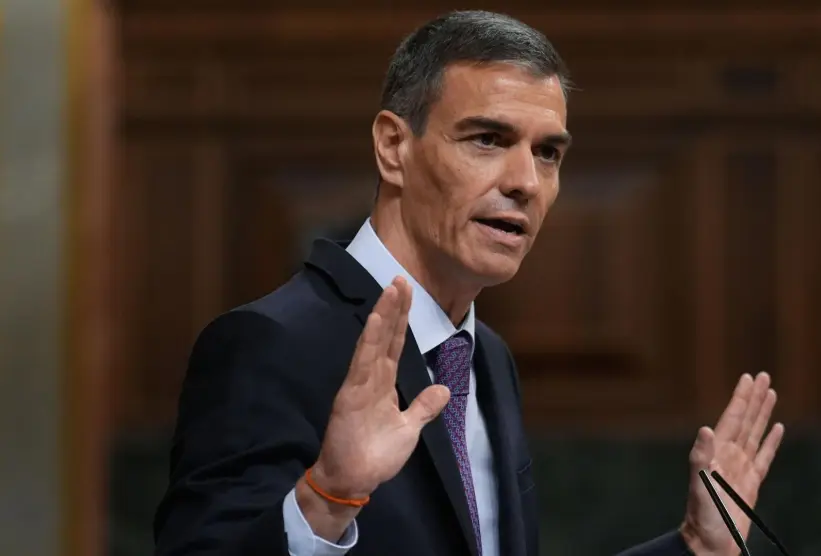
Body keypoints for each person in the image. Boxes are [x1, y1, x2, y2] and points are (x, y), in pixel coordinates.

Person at [152, 10, 785, 556]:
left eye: (548, 153)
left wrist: (694, 547)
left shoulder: (485, 356)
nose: (526, 183)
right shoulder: (268, 343)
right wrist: (325, 499)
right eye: (488, 139)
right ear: (393, 147)